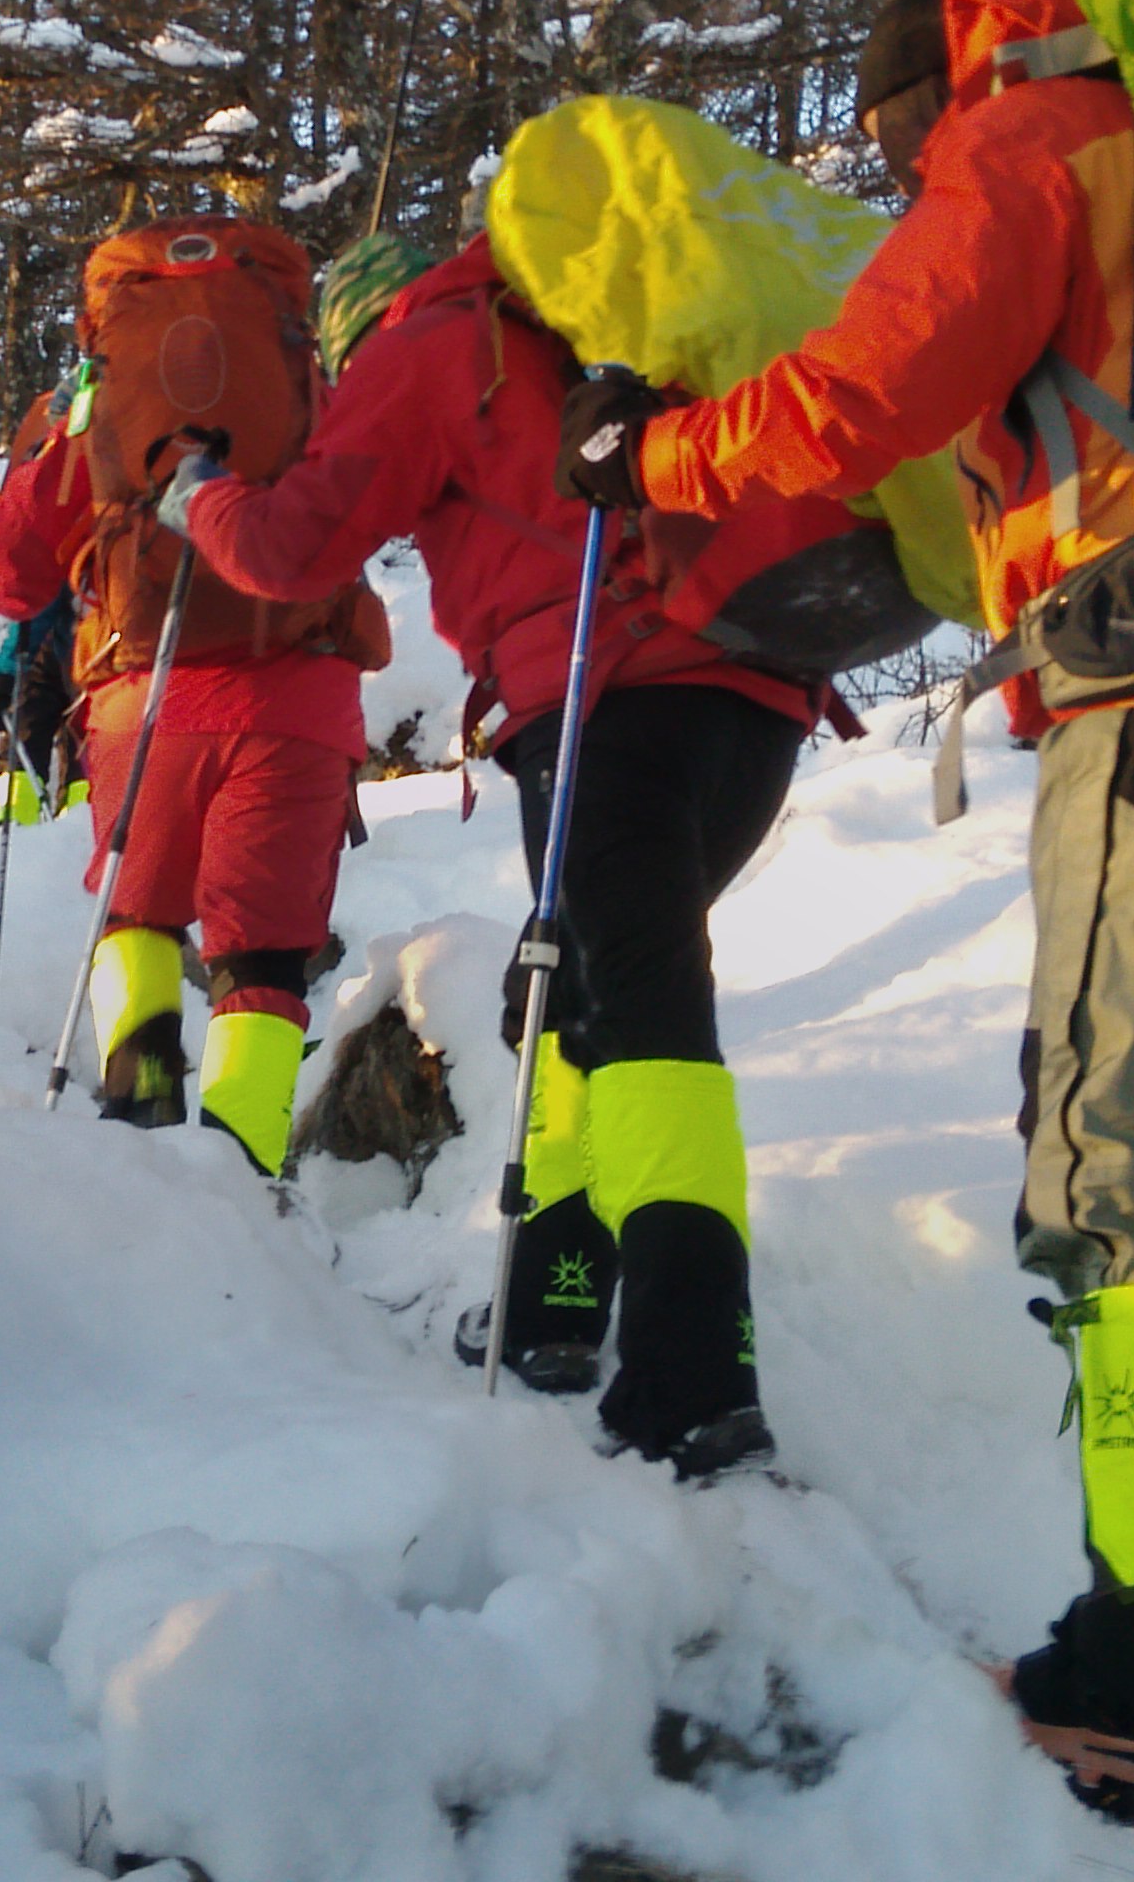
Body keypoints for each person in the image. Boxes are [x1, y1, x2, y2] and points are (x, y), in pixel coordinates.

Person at [558, 0, 1134, 1827]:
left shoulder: (1027, 140)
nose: (889, 180)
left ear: (922, 84)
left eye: (883, 150)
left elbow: (867, 388)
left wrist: (652, 455)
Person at [174, 235, 811, 1484]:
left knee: (643, 1022)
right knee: (577, 994)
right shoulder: (600, 313)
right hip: (759, 691)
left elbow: (293, 546)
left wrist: (198, 494)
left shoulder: (427, 343)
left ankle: (693, 1378)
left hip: (605, 694)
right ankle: (553, 1303)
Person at [0, 376, 375, 1177]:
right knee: (263, 955)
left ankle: (140, 1115)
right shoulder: (305, 393)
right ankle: (246, 1181)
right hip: (298, 705)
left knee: (136, 914)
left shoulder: (106, 403)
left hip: (146, 699)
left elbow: (11, 576)